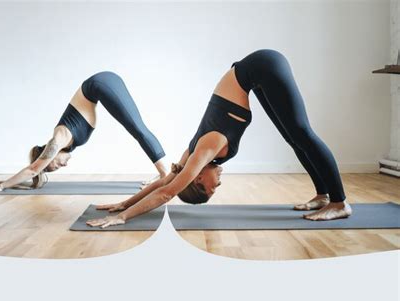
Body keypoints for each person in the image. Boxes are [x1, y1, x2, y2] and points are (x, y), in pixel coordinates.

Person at [88, 50, 351, 228]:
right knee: (294, 138)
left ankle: (339, 202)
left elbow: (167, 192)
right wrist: (124, 202)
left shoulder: (204, 151)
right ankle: (322, 195)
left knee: (302, 133)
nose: (219, 184)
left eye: (213, 188)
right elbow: (165, 181)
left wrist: (123, 217)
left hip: (263, 65)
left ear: (199, 178)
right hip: (255, 74)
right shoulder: (190, 158)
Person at [0, 71, 168, 193]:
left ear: (51, 154)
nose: (62, 166)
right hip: (101, 85)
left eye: (54, 165)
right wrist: (9, 181)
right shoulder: (68, 142)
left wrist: (1, 186)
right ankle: (164, 174)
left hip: (100, 83)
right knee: (137, 128)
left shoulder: (59, 139)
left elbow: (33, 169)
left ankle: (165, 175)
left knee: (137, 129)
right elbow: (34, 172)